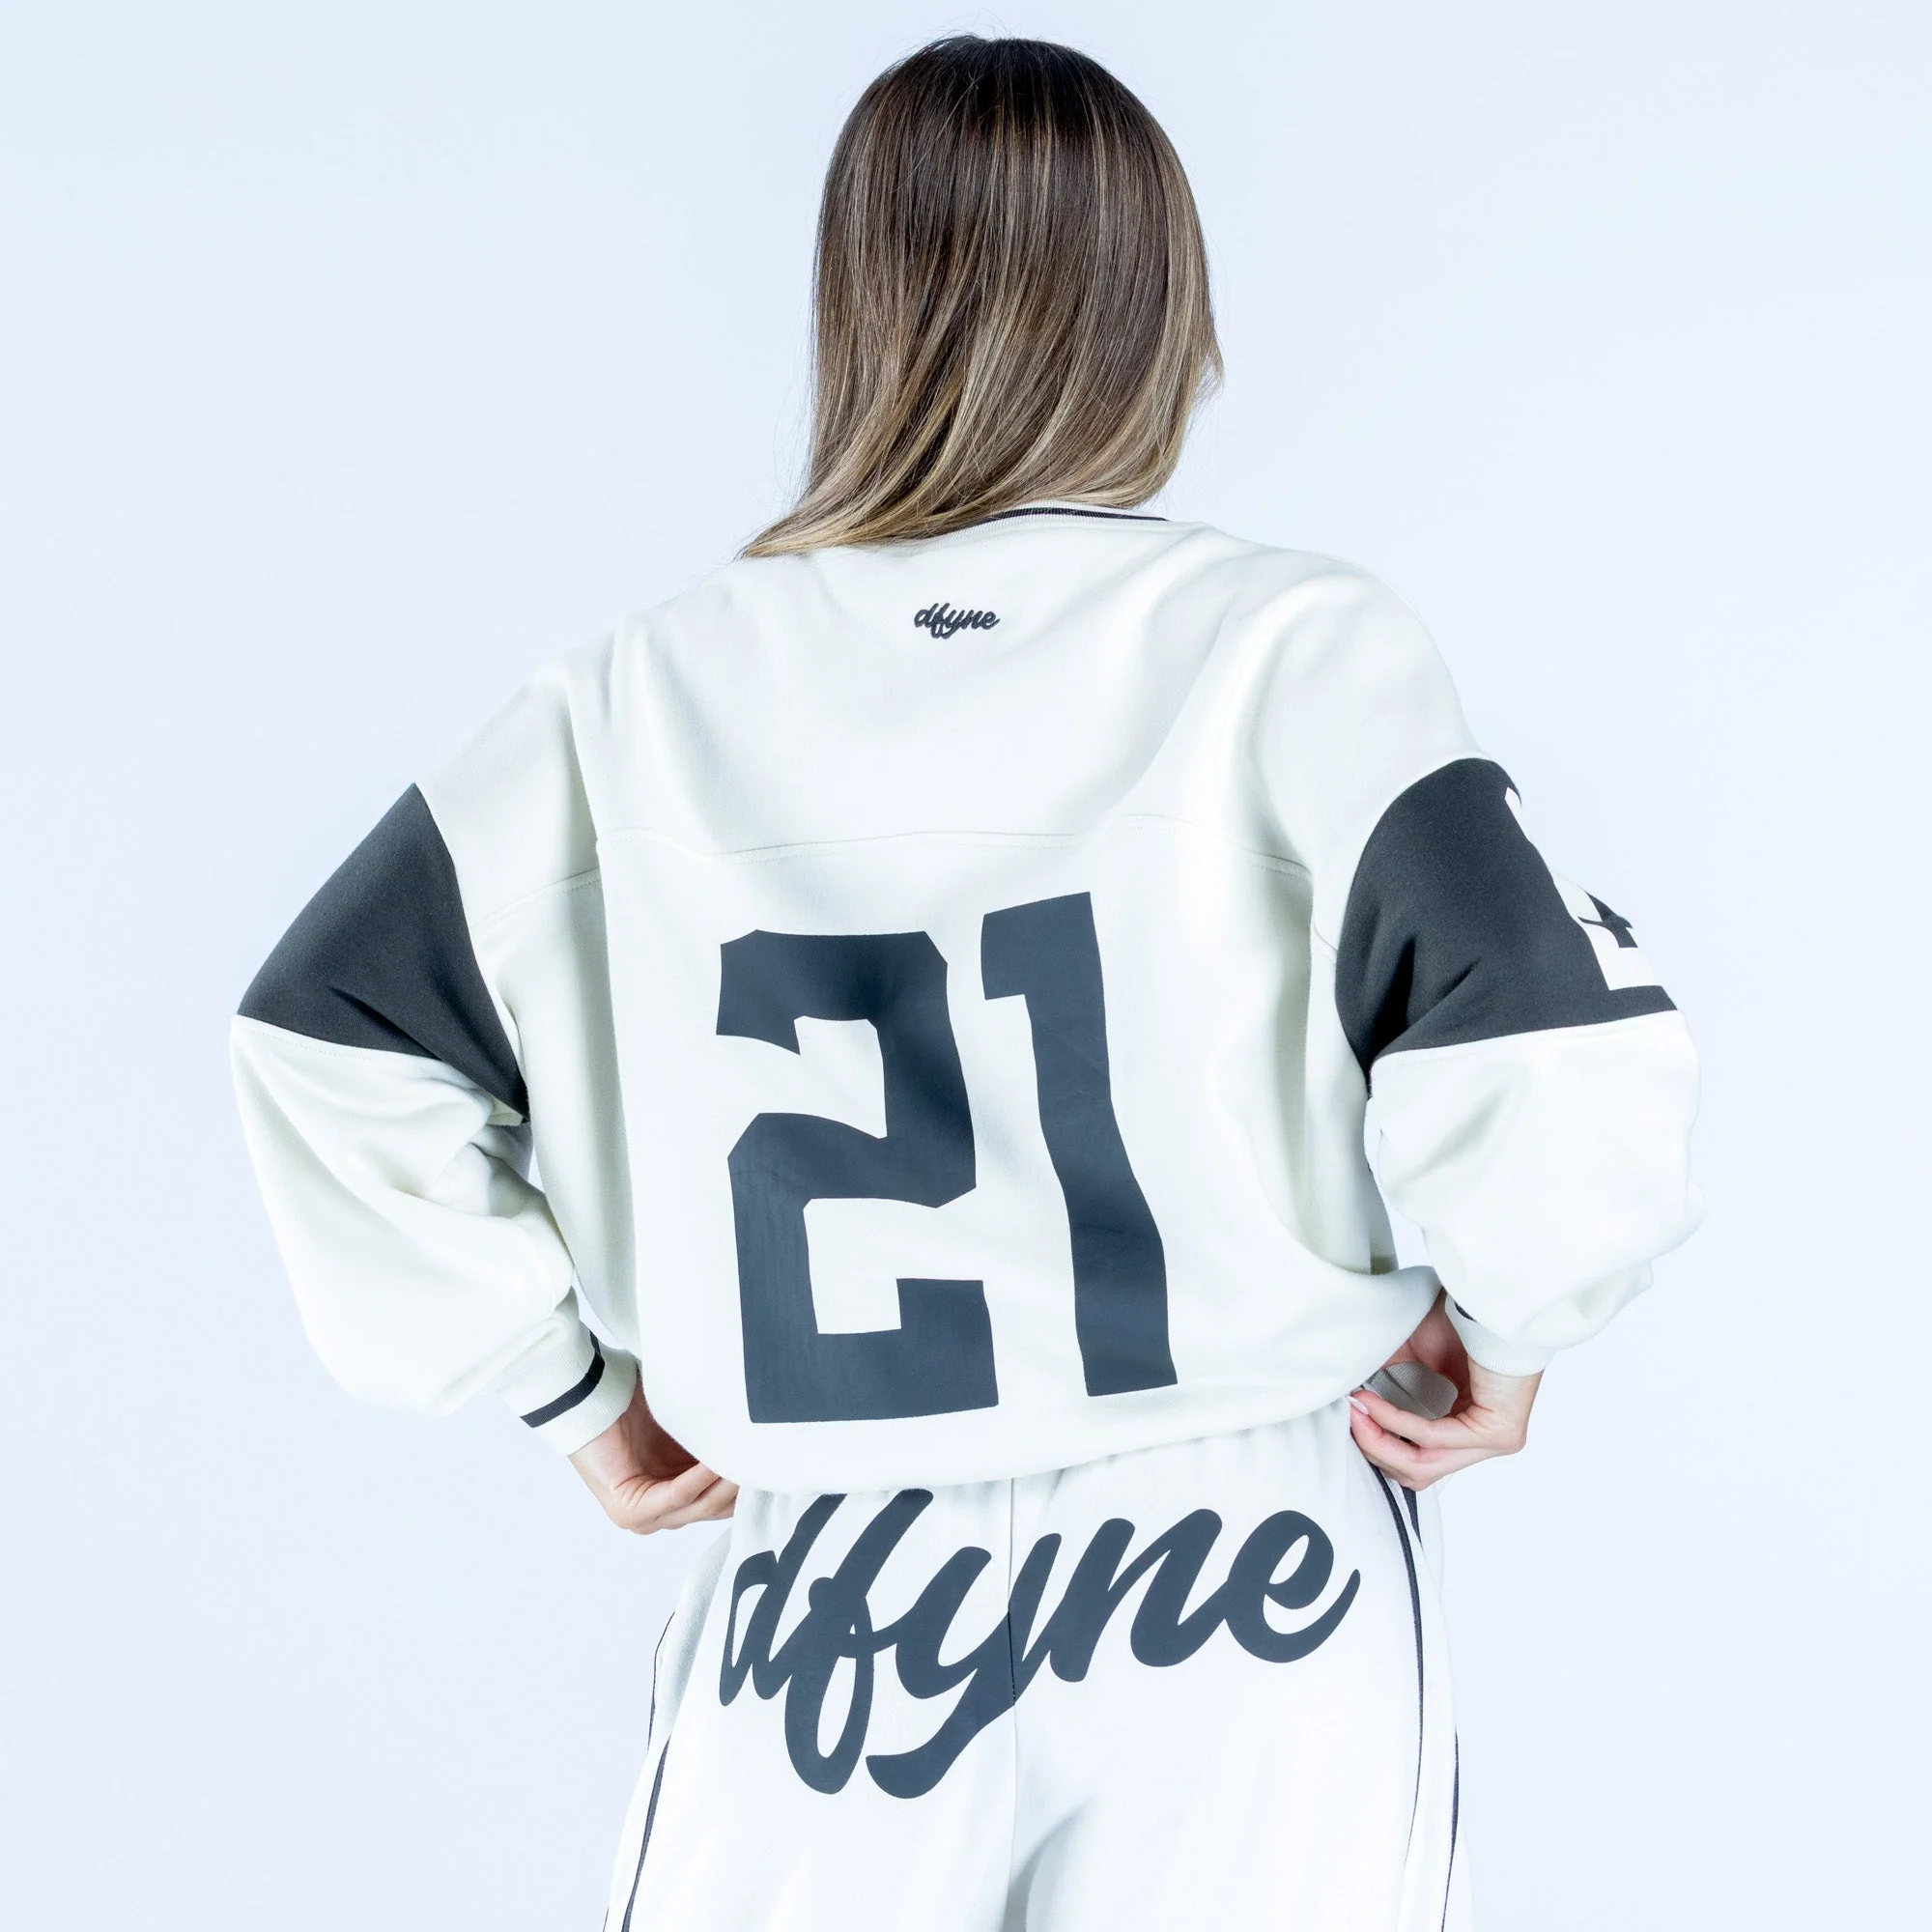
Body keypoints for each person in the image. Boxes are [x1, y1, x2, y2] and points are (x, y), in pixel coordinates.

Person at [230, 34, 1700, 1931]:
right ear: (1165, 312)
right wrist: (1509, 1327)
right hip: (1246, 1560)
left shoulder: (638, 692)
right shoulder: (1292, 650)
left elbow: (328, 1030)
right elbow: (1543, 1038)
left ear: (856, 310)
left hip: (826, 1592)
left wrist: (568, 1391)